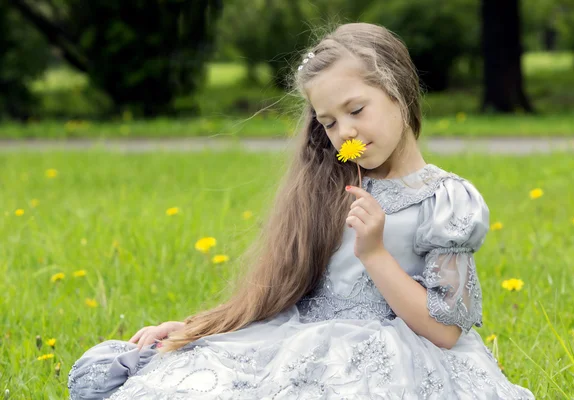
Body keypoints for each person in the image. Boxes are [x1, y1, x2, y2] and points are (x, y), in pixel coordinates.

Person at [68, 23, 535, 399]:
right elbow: (281, 291)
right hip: (300, 338)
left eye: (356, 109)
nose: (344, 133)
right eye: (329, 122)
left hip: (398, 354)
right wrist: (198, 329)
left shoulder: (444, 200)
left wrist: (374, 252)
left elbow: (445, 332)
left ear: (399, 90)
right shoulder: (331, 183)